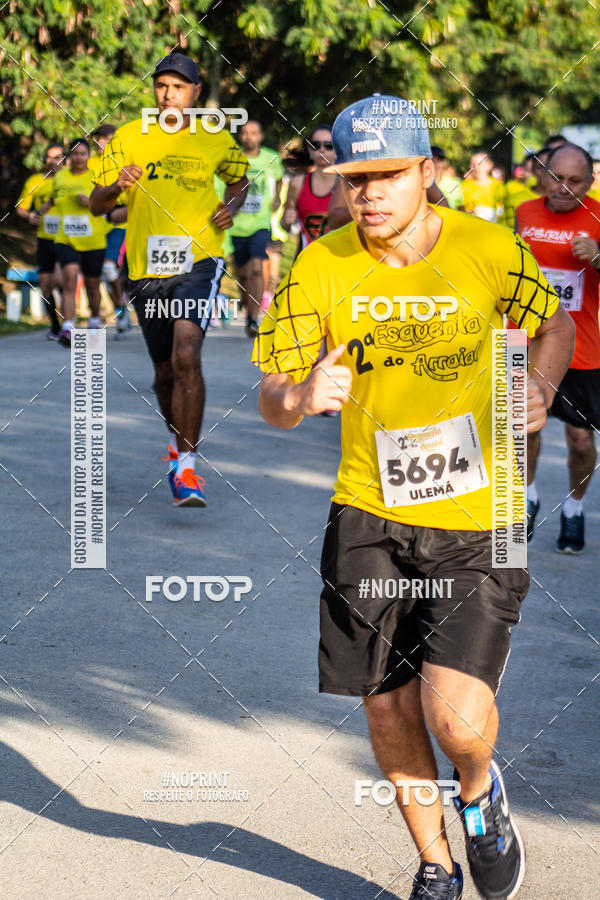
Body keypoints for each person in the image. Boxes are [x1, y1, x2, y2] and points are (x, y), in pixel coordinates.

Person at [253, 93, 574, 900]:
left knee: (457, 719)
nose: (369, 193)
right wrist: (299, 396)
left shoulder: (489, 248)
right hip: (367, 512)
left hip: (482, 515)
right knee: (389, 709)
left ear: (427, 172)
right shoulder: (322, 264)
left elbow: (554, 324)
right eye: (356, 177)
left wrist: (538, 380)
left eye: (389, 175)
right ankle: (435, 863)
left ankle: (479, 796)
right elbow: (272, 396)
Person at [90, 52, 249, 507]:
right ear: (154, 90)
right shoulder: (129, 137)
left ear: (196, 93)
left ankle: (187, 469)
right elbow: (96, 207)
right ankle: (178, 443)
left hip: (200, 260)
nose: (169, 94)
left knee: (186, 354)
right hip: (144, 267)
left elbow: (239, 181)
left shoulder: (214, 138)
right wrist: (115, 187)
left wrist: (231, 208)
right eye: (162, 85)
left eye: (179, 87)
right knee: (164, 373)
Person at [517, 143, 600, 552]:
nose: (563, 188)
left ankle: (574, 509)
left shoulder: (599, 215)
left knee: (581, 441)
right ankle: (528, 497)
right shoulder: (524, 212)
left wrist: (599, 258)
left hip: (582, 348)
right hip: (527, 340)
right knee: (525, 427)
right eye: (556, 177)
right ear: (542, 174)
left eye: (574, 181)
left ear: (590, 182)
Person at [51, 138, 111, 346]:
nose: (78, 157)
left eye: (83, 153)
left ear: (89, 155)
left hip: (94, 239)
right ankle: (68, 327)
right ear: (69, 156)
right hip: (66, 238)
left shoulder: (97, 176)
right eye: (74, 153)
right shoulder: (59, 177)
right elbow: (53, 200)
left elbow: (108, 203)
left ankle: (94, 321)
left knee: (93, 285)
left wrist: (90, 202)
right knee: (69, 280)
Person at [229, 120, 284, 337]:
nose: (249, 137)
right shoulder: (234, 158)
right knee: (242, 273)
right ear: (241, 137)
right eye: (245, 133)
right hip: (236, 226)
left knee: (256, 267)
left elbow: (279, 180)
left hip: (260, 223)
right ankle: (247, 301)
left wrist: (278, 197)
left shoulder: (271, 158)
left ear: (261, 136)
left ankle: (253, 319)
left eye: (254, 133)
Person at [16, 142, 65, 338]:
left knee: (63, 280)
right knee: (46, 284)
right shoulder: (35, 180)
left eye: (58, 156)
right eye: (50, 157)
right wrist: (29, 216)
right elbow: (20, 208)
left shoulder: (71, 179)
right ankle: (55, 326)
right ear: (44, 160)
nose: (54, 161)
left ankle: (69, 319)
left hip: (67, 238)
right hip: (44, 238)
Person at [89, 123, 130, 337]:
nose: (100, 142)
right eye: (98, 138)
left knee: (108, 269)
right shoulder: (89, 163)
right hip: (91, 229)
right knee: (93, 276)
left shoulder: (123, 162)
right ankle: (101, 314)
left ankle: (122, 310)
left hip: (117, 227)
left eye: (105, 138)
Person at [281, 125, 336, 248]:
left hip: (341, 259)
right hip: (307, 258)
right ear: (309, 151)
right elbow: (285, 224)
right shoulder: (298, 182)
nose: (322, 150)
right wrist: (288, 221)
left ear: (337, 149)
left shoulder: (346, 183)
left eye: (328, 145)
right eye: (316, 145)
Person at [462, 151, 504, 221]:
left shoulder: (498, 186)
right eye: (473, 164)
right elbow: (461, 210)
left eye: (480, 164)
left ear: (489, 165)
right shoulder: (465, 186)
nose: (476, 167)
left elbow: (502, 211)